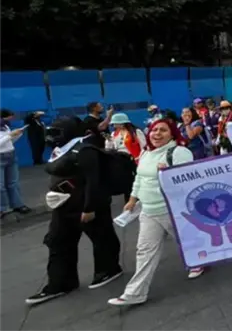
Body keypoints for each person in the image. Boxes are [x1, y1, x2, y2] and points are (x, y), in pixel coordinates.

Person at [27, 117, 122, 305]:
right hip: (62, 206)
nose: (51, 137)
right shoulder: (60, 150)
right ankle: (61, 283)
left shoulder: (85, 150)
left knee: (102, 238)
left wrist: (90, 208)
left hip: (87, 206)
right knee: (57, 242)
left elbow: (93, 182)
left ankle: (109, 269)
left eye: (56, 133)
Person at [108, 119, 202, 307]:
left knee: (187, 241)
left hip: (172, 210)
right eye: (154, 130)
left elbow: (189, 179)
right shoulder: (146, 153)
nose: (157, 133)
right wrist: (133, 199)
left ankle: (199, 259)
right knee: (144, 252)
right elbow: (140, 178)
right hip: (148, 211)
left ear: (172, 134)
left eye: (163, 130)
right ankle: (135, 293)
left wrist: (169, 173)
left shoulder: (179, 152)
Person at [0, 109, 31, 218]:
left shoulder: (5, 126)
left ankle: (18, 205)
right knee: (1, 185)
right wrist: (10, 136)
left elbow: (9, 142)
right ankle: (2, 209)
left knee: (13, 183)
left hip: (10, 155)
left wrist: (17, 135)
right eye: (10, 117)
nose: (11, 119)